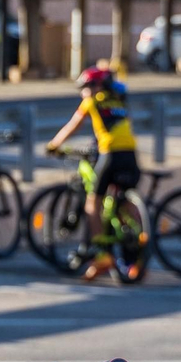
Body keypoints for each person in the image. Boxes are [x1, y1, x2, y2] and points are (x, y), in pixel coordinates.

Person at [45, 63, 143, 282]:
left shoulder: (91, 102)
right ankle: (138, 253)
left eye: (86, 86)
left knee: (93, 203)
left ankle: (102, 255)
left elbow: (73, 125)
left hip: (111, 154)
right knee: (125, 205)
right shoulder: (120, 100)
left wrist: (54, 145)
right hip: (131, 155)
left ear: (97, 86)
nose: (83, 92)